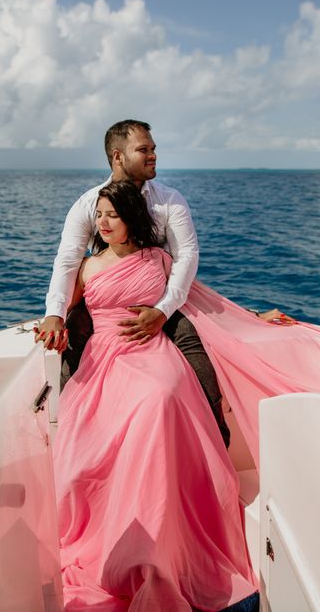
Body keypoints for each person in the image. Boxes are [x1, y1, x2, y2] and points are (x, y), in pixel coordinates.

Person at [45, 180, 258, 611]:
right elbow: (63, 304)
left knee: (160, 396)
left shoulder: (157, 259)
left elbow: (199, 302)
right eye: (99, 215)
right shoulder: (86, 269)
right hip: (104, 357)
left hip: (151, 349)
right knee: (91, 434)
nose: (103, 223)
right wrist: (54, 319)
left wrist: (256, 318)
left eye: (113, 215)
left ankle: (163, 530)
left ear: (132, 220)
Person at [36, 119, 231, 447]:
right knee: (72, 346)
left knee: (193, 349)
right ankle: (76, 438)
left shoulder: (169, 200)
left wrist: (163, 310)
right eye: (144, 150)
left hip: (161, 296)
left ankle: (215, 439)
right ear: (118, 157)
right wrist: (54, 311)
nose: (153, 155)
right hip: (106, 300)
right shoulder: (88, 204)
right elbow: (68, 260)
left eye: (153, 149)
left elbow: (186, 256)